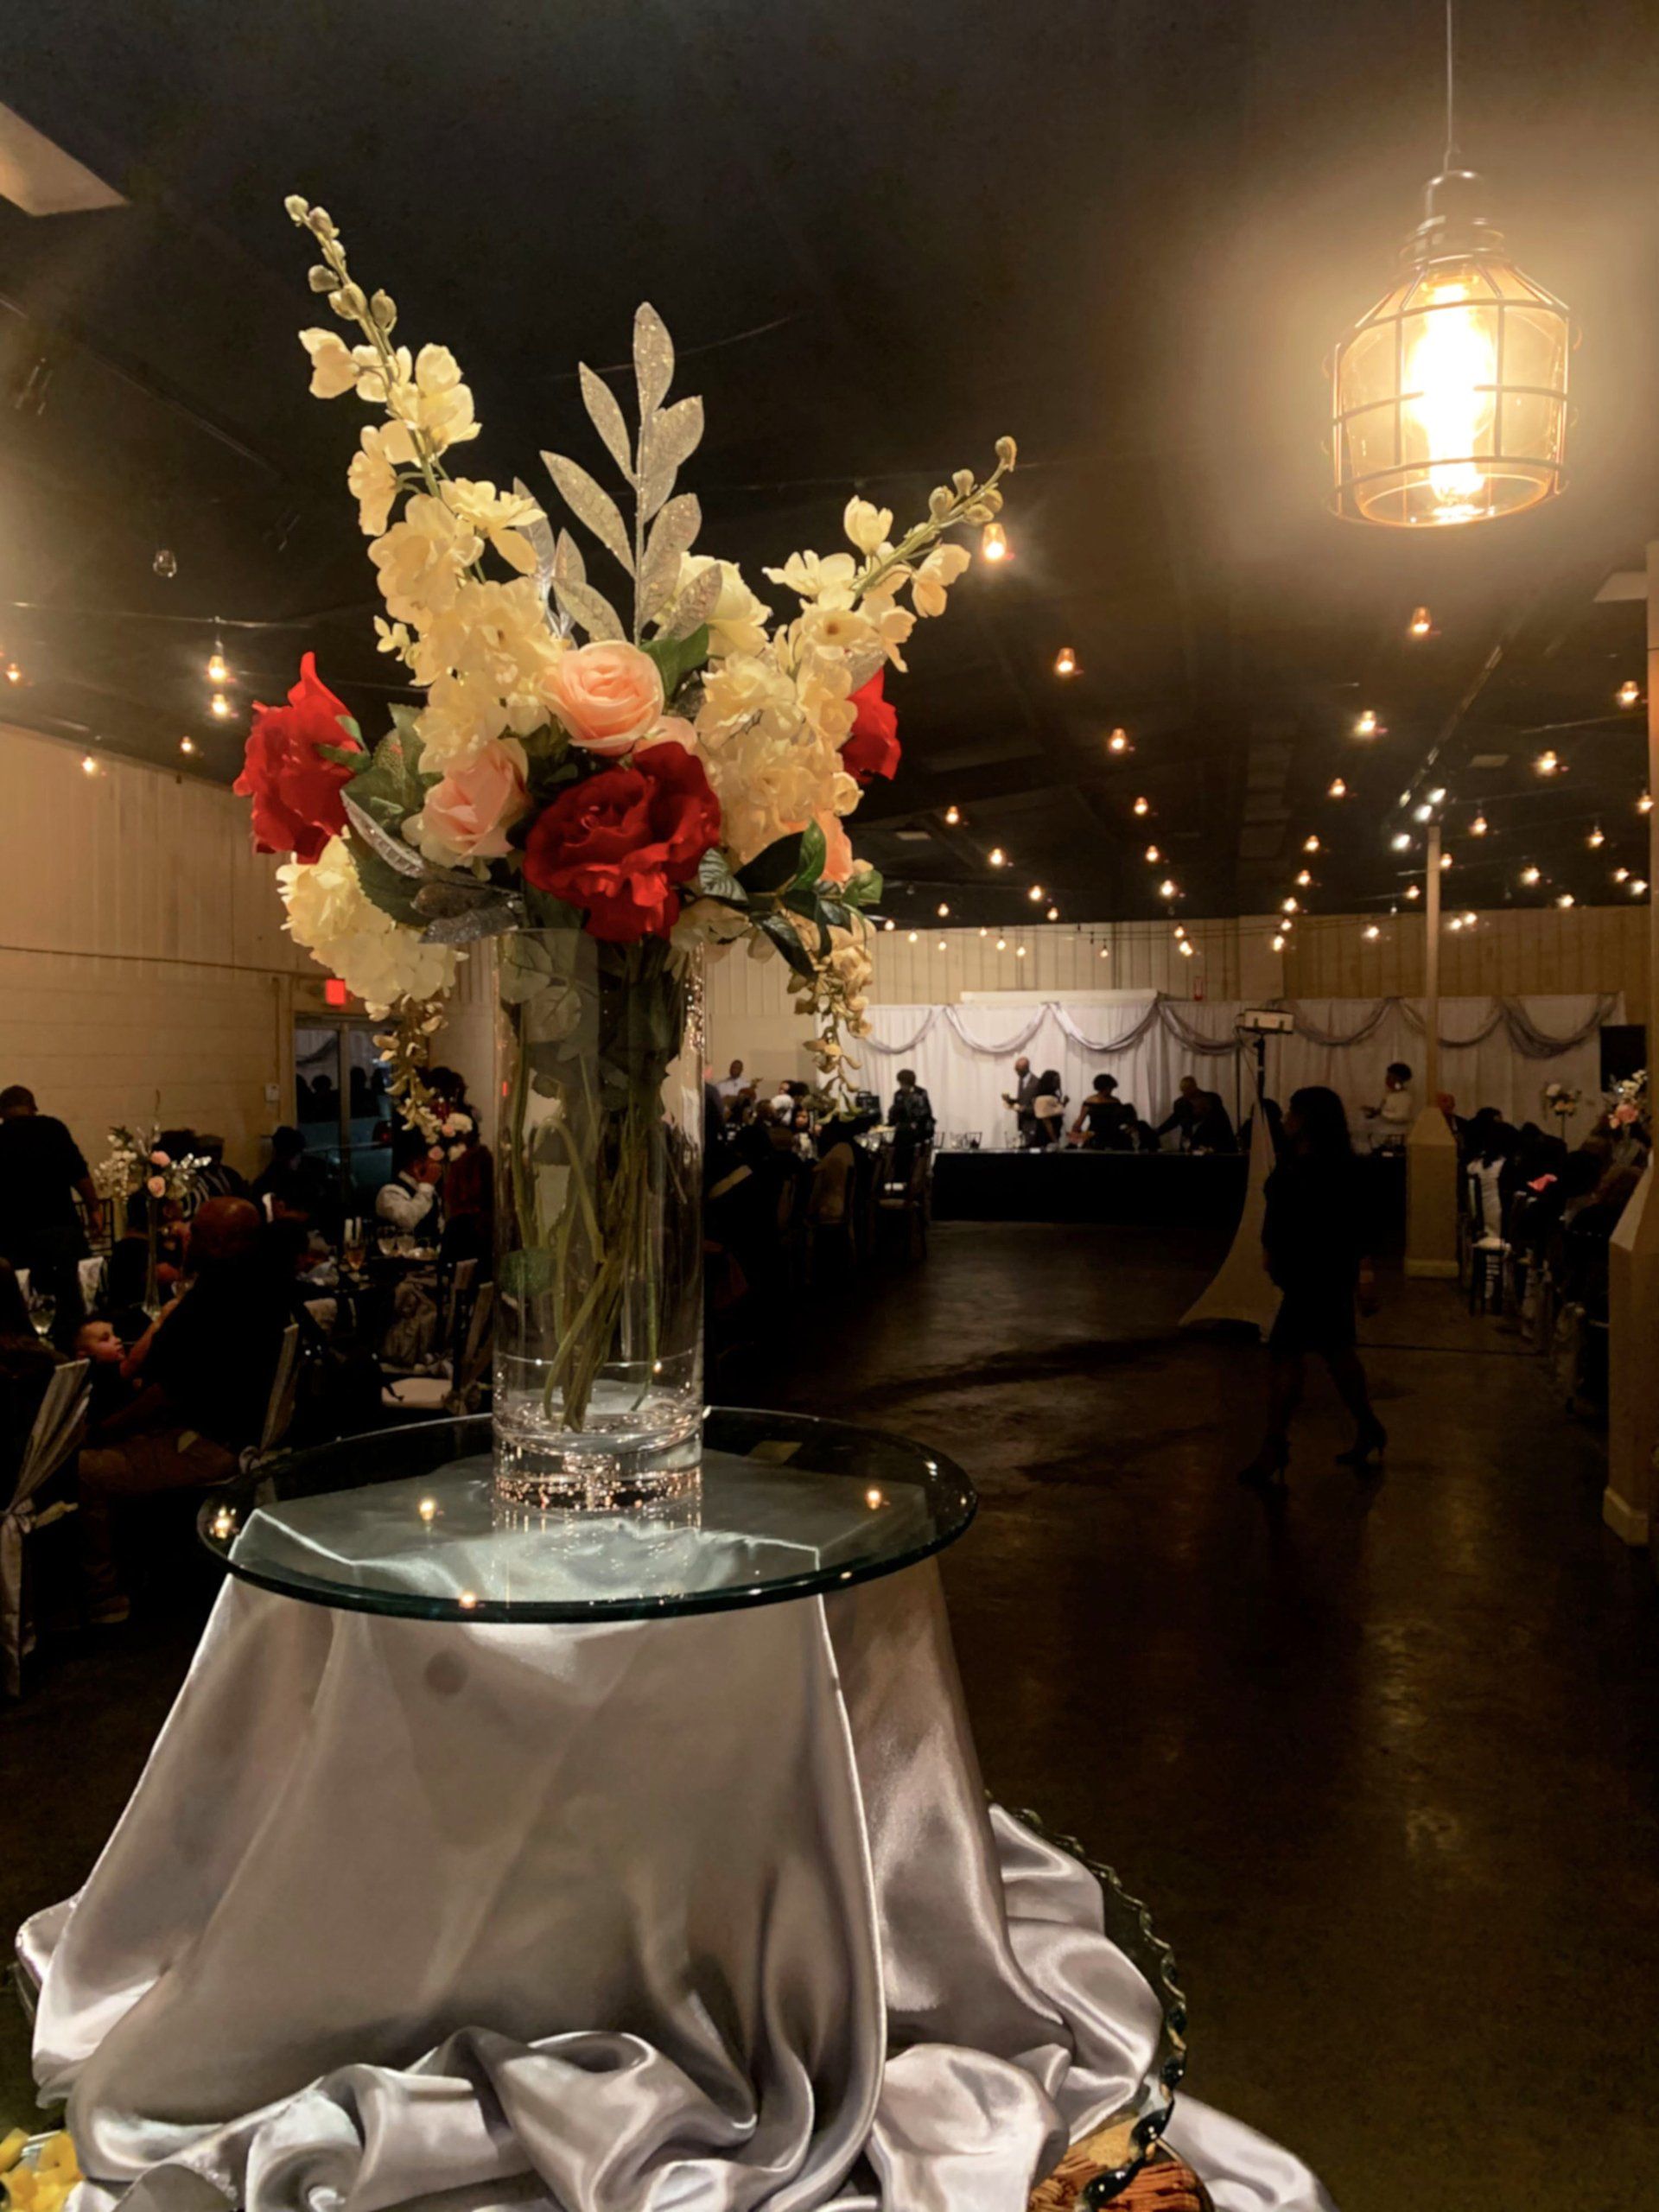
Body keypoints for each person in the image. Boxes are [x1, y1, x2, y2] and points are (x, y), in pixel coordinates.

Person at [76, 1198, 292, 1620]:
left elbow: (162, 1392)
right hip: (241, 1431)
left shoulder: (212, 1299)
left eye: (196, 1232)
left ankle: (104, 1596)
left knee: (84, 1469)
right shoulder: (269, 1284)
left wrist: (103, 1431)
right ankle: (145, 1565)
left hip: (210, 1444)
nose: (185, 1238)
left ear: (220, 1243)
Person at [1239, 1085, 1384, 1489]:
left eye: (1291, 1113)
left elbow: (1280, 1223)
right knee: (1336, 1353)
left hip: (1309, 1274)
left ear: (1305, 1119)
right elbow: (1360, 1228)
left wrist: (1272, 1256)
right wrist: (1363, 1276)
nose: (1286, 1120)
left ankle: (1275, 1444)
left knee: (1286, 1356)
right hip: (1328, 1272)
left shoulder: (1298, 1169)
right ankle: (1368, 1427)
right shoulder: (1343, 1168)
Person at [0, 1086, 103, 1343]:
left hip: (15, 1237)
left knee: (24, 1305)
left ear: (2, 1113)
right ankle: (75, 1348)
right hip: (61, 1232)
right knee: (71, 1302)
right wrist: (94, 1208)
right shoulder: (53, 1129)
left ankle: (34, 1348)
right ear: (33, 1107)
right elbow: (79, 1174)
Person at [377, 1128, 442, 1235]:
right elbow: (407, 1220)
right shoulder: (389, 1192)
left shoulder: (427, 1190)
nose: (437, 1167)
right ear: (417, 1165)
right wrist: (427, 1185)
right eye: (432, 1163)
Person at [1157, 1075, 1236, 1154]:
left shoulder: (1213, 1100)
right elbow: (1173, 1120)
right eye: (1184, 1091)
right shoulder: (1181, 1104)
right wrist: (1156, 1132)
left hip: (1213, 1147)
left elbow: (1221, 1126)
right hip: (1189, 1146)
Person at [887, 1068, 936, 1183]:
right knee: (896, 1148)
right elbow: (895, 1115)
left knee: (908, 1145)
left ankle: (908, 1180)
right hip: (904, 1131)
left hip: (918, 1131)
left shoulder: (920, 1093)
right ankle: (897, 1179)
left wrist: (912, 1124)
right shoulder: (898, 1095)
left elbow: (925, 1114)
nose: (901, 1086)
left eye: (903, 1083)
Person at [1070, 1073, 1137, 1151]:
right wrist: (1074, 1139)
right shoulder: (1091, 1102)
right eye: (1109, 1088)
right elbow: (1079, 1122)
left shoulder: (1114, 1101)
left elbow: (1121, 1119)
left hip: (1111, 1136)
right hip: (1098, 1137)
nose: (1111, 1091)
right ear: (1103, 1087)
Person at [1360, 1062, 1414, 1149]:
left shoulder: (1405, 1097)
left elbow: (1402, 1116)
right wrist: (1374, 1112)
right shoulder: (1389, 1094)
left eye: (1391, 1077)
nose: (1387, 1080)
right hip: (1385, 1134)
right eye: (1387, 1077)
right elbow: (1385, 1111)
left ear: (1400, 1080)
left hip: (1395, 1136)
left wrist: (1381, 1113)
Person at [1001, 1056, 1040, 1147]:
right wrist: (1010, 1101)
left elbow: (1038, 1107)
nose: (1016, 1071)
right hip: (1022, 1125)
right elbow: (1022, 1100)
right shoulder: (1021, 1081)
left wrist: (1022, 1109)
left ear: (1026, 1068)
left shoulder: (1037, 1083)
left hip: (1032, 1125)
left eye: (1018, 1069)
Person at [1028, 1071, 1067, 1149]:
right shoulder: (1044, 1098)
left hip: (1052, 1134)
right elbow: (1047, 1121)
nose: (1058, 1083)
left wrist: (1064, 1103)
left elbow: (1054, 1112)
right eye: (1056, 1081)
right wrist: (1055, 1140)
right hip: (1046, 1137)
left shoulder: (1051, 1096)